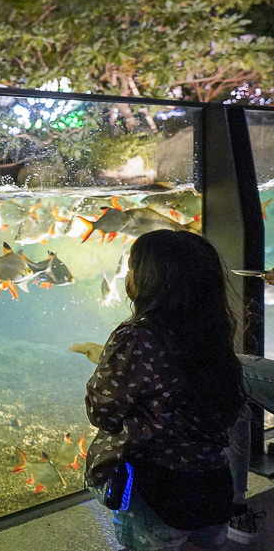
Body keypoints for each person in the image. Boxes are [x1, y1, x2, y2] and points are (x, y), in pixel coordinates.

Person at [85, 229, 247, 551]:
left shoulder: (135, 337)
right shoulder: (212, 332)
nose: (127, 277)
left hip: (155, 489)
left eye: (132, 268)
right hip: (212, 484)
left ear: (149, 280)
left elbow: (102, 411)